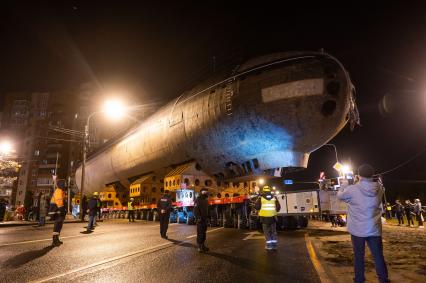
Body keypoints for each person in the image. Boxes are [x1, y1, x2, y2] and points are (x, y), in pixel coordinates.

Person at [337, 164, 390, 283]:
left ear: (358, 175)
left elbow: (340, 196)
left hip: (357, 230)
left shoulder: (352, 189)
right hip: (374, 229)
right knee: (378, 256)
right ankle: (384, 280)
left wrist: (344, 185)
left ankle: (359, 280)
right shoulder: (380, 188)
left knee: (359, 257)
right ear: (372, 175)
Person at [255, 186, 281, 250]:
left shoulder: (260, 198)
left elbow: (257, 207)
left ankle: (269, 246)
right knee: (273, 231)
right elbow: (278, 208)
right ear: (269, 190)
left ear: (263, 191)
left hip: (264, 218)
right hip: (273, 217)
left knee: (267, 232)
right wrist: (274, 210)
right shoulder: (274, 197)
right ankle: (274, 246)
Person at [49, 179, 67, 247]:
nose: (65, 185)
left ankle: (57, 239)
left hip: (58, 209)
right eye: (64, 183)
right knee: (57, 224)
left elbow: (63, 201)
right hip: (56, 209)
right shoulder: (58, 191)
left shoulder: (61, 191)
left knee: (59, 224)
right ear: (61, 184)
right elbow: (59, 201)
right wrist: (62, 210)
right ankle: (54, 240)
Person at [194, 188, 209, 252]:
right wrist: (198, 218)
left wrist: (208, 217)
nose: (206, 192)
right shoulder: (198, 199)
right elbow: (195, 210)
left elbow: (207, 210)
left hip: (205, 219)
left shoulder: (206, 200)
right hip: (200, 220)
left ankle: (203, 245)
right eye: (204, 191)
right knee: (200, 233)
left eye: (206, 191)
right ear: (201, 192)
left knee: (204, 232)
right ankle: (199, 246)